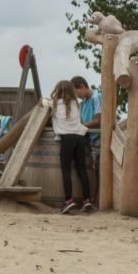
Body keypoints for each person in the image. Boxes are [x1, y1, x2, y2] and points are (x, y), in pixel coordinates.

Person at [51, 79, 94, 214]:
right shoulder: (77, 104)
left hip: (67, 139)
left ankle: (68, 201)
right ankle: (87, 200)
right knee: (82, 170)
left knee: (66, 170)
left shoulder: (56, 104)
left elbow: (45, 103)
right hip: (79, 138)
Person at [72, 75, 102, 193]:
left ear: (82, 87)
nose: (77, 96)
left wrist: (79, 127)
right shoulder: (83, 103)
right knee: (91, 168)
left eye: (77, 93)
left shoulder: (96, 97)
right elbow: (81, 120)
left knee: (97, 169)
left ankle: (97, 197)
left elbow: (97, 120)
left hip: (98, 138)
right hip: (88, 139)